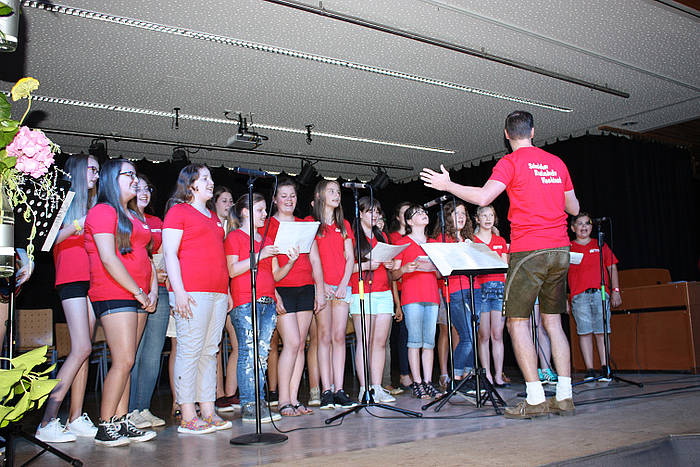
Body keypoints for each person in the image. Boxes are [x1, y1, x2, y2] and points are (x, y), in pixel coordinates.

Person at [421, 110, 580, 419]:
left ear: (507, 135)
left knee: (517, 323)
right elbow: (573, 206)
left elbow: (483, 197)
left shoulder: (510, 162)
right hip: (560, 249)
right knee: (553, 322)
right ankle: (565, 396)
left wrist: (449, 185)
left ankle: (535, 399)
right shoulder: (557, 163)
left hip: (530, 250)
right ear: (533, 131)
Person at [84, 159, 157, 446]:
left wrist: (151, 293)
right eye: (129, 174)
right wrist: (139, 292)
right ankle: (105, 425)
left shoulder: (131, 214)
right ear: (112, 178)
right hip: (114, 291)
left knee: (128, 361)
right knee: (124, 359)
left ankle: (122, 419)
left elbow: (146, 257)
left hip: (139, 294)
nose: (135, 180)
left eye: (136, 175)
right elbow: (108, 257)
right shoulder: (103, 211)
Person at [163, 164, 231, 434]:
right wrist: (179, 292)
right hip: (192, 292)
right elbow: (170, 254)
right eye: (205, 178)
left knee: (209, 352)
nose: (210, 182)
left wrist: (225, 292)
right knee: (190, 352)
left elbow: (217, 257)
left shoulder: (214, 217)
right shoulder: (178, 212)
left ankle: (208, 410)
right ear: (190, 184)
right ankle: (188, 414)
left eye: (211, 178)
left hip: (216, 293)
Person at [36, 154, 100, 443]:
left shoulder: (95, 205)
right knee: (81, 347)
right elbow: (47, 242)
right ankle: (47, 420)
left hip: (92, 280)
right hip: (71, 277)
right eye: (91, 170)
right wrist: (78, 225)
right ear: (76, 170)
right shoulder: (64, 202)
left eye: (98, 171)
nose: (96, 175)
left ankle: (75, 418)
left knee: (85, 351)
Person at [266, 178, 325, 416]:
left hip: (305, 288)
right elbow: (267, 265)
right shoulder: (269, 225)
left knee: (300, 344)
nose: (289, 200)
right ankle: (282, 400)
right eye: (284, 196)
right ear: (275, 200)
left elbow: (315, 259)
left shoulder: (306, 224)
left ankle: (293, 398)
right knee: (290, 343)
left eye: (292, 195)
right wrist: (273, 292)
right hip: (283, 288)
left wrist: (319, 289)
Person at [225, 193, 282, 423]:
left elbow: (275, 274)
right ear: (246, 212)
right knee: (249, 351)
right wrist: (259, 256)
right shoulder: (235, 237)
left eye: (265, 210)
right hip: (245, 300)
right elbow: (232, 270)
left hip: (268, 300)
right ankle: (249, 403)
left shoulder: (266, 240)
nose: (264, 214)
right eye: (260, 210)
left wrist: (292, 261)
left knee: (262, 353)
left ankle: (258, 401)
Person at [311, 180, 357, 409]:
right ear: (319, 196)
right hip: (322, 287)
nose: (336, 194)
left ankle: (339, 389)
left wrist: (342, 284)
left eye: (338, 191)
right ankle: (326, 389)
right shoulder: (311, 224)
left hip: (341, 287)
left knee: (340, 336)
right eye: (330, 191)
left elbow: (350, 258)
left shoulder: (345, 225)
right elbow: (311, 258)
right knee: (324, 336)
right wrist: (322, 286)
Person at [127, 174, 168, 429]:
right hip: (134, 292)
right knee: (134, 353)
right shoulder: (124, 219)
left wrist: (161, 274)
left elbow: (164, 255)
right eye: (138, 188)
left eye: (147, 188)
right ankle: (128, 410)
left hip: (160, 291)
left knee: (153, 354)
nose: (144, 193)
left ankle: (143, 408)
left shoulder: (157, 222)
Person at [350, 197, 397, 403]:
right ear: (360, 213)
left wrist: (390, 263)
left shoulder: (382, 235)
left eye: (377, 211)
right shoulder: (352, 236)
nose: (375, 215)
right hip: (361, 291)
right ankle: (364, 387)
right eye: (370, 211)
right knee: (365, 341)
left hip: (383, 291)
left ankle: (377, 387)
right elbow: (344, 268)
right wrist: (367, 265)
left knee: (379, 343)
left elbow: (391, 263)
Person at [392, 204, 441, 399]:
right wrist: (405, 269)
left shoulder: (434, 243)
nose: (423, 215)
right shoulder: (402, 243)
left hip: (432, 296)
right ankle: (417, 382)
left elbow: (440, 272)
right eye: (418, 213)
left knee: (429, 342)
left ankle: (428, 381)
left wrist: (434, 268)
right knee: (414, 340)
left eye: (424, 212)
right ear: (410, 221)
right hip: (412, 296)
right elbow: (394, 274)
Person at [431, 201, 480, 392]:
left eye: (463, 213)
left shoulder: (471, 239)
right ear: (446, 217)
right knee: (466, 336)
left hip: (474, 288)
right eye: (455, 213)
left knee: (473, 334)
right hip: (454, 291)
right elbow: (436, 272)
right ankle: (456, 378)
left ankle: (468, 377)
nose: (460, 217)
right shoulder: (439, 240)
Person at [568, 212, 621, 381]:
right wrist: (564, 298)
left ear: (592, 227)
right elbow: (560, 275)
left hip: (600, 294)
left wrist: (616, 291)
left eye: (587, 224)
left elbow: (612, 267)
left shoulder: (600, 245)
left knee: (602, 331)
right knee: (584, 332)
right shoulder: (568, 248)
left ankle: (605, 367)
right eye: (580, 224)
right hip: (579, 296)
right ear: (573, 228)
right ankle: (590, 369)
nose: (584, 227)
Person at [207, 186, 241, 412]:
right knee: (215, 345)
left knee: (238, 343)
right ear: (215, 203)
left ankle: (231, 392)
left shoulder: (235, 229)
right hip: (215, 288)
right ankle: (217, 393)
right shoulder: (211, 227)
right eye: (224, 201)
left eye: (231, 201)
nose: (229, 205)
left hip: (233, 289)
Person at [473, 205, 510, 387]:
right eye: (484, 216)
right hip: (480, 288)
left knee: (497, 334)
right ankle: (486, 374)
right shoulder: (471, 240)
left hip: (498, 288)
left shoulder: (500, 240)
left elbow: (504, 267)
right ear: (477, 219)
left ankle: (498, 374)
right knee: (484, 335)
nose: (488, 219)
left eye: (491, 216)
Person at [388, 202, 412, 390]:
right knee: (403, 335)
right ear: (398, 217)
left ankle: (417, 374)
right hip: (400, 290)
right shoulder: (394, 238)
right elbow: (392, 273)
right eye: (405, 213)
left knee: (416, 335)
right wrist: (397, 302)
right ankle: (404, 373)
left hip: (418, 290)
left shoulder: (418, 237)